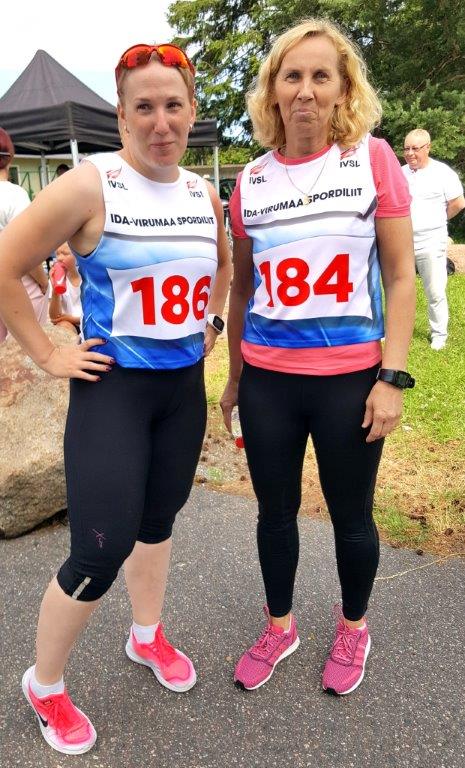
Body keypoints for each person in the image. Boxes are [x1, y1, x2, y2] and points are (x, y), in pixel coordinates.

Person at [0, 42, 231, 754]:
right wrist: (48, 355)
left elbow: (222, 266)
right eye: (144, 107)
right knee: (98, 550)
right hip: (114, 394)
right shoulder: (90, 184)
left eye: (173, 105)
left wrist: (213, 322)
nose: (161, 122)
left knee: (158, 521)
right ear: (122, 116)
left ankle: (145, 635)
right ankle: (44, 682)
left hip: (181, 393)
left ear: (191, 110)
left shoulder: (200, 194)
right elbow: (6, 264)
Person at [220, 18, 416, 696]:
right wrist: (234, 380)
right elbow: (243, 287)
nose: (305, 90)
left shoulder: (372, 159)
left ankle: (353, 626)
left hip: (348, 382)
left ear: (342, 90)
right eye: (292, 75)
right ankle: (280, 626)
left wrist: (391, 378)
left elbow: (400, 276)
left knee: (351, 515)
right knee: (272, 513)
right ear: (273, 90)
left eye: (320, 76)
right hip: (268, 382)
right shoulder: (249, 180)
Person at [402, 128, 465, 350]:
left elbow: (458, 203)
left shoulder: (443, 173)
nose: (410, 153)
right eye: (406, 149)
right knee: (399, 289)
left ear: (427, 147)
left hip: (431, 240)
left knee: (435, 290)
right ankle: (397, 330)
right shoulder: (400, 173)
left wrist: (438, 219)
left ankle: (439, 334)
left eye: (415, 148)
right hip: (403, 241)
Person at [0, 127, 48, 343]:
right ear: (10, 157)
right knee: (26, 348)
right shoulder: (14, 194)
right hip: (18, 281)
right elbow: (25, 248)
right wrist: (43, 280)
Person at [49, 242, 82, 334]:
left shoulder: (89, 277)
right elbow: (54, 317)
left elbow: (98, 315)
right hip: (69, 323)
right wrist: (55, 290)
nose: (59, 258)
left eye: (65, 254)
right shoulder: (57, 278)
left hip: (89, 322)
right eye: (57, 254)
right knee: (63, 327)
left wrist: (71, 318)